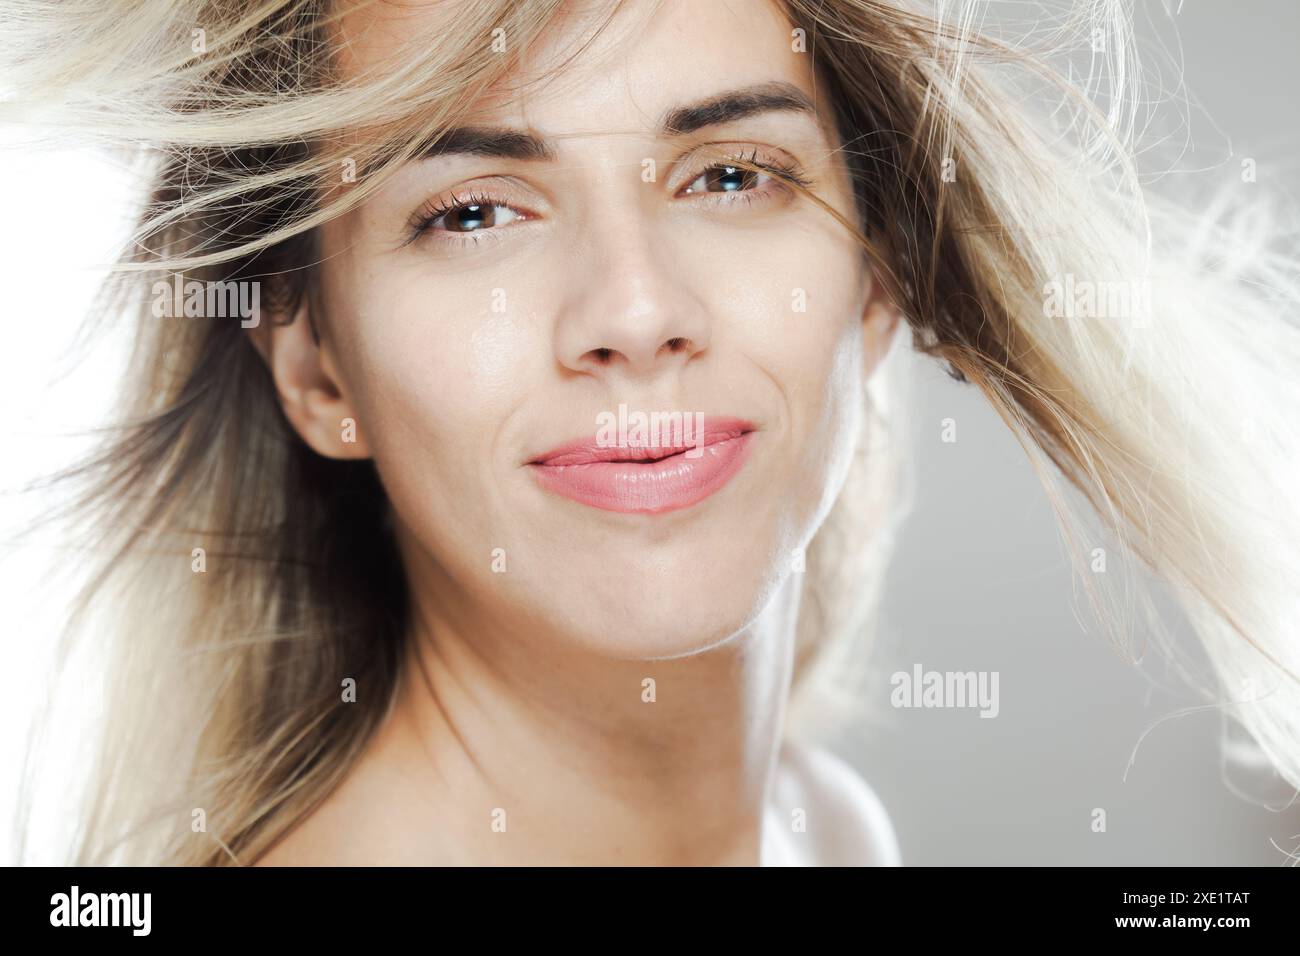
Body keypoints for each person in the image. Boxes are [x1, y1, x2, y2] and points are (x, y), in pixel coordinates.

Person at [5, 0, 1298, 866]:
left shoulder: (825, 829)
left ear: (878, 273)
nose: (632, 311)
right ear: (316, 366)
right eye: (472, 213)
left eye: (732, 175)